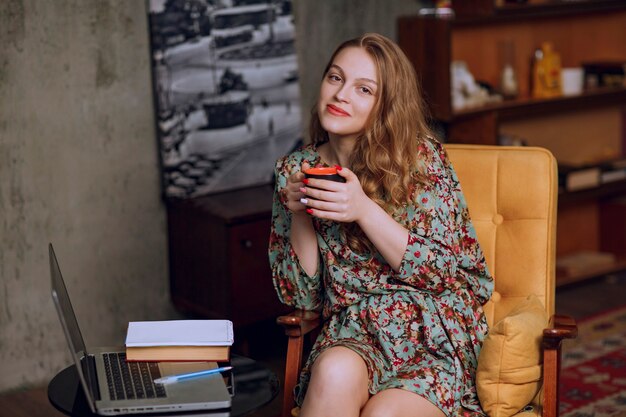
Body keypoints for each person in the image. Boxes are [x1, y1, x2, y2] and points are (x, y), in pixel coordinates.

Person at [268, 33, 493, 417]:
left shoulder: (420, 158)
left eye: (364, 89)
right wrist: (300, 211)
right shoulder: (296, 168)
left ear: (386, 105)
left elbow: (441, 273)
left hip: (432, 332)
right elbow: (301, 299)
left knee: (383, 414)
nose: (341, 95)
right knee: (333, 373)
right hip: (355, 332)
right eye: (335, 78)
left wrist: (363, 209)